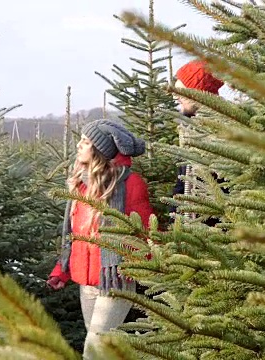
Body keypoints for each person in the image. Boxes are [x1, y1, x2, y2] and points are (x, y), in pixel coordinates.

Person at [47, 119, 154, 359]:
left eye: (85, 142)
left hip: (115, 281)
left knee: (93, 351)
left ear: (99, 150)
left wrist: (135, 265)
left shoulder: (129, 185)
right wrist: (61, 270)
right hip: (87, 282)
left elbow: (146, 232)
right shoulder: (80, 186)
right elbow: (75, 236)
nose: (79, 146)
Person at [170, 60, 228, 225]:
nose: (175, 95)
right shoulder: (188, 130)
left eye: (181, 91)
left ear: (199, 93)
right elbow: (182, 181)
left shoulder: (221, 132)